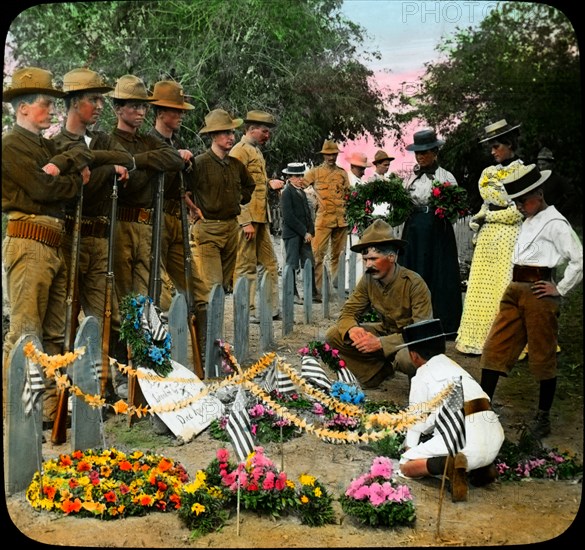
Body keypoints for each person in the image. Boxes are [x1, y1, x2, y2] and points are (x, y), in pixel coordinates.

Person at [2, 66, 93, 425]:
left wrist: (62, 163)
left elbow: (81, 155)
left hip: (54, 241)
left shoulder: (44, 145)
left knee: (56, 332)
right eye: (45, 104)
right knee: (25, 331)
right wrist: (72, 181)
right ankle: (13, 411)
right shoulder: (10, 145)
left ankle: (50, 410)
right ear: (23, 107)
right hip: (29, 241)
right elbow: (44, 190)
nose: (52, 111)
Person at [479, 164, 583, 439]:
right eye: (516, 202)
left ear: (539, 194)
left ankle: (543, 416)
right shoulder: (529, 219)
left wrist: (559, 289)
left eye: (523, 201)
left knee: (542, 353)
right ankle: (481, 409)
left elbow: (578, 259)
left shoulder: (555, 222)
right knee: (494, 348)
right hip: (515, 289)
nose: (520, 207)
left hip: (539, 291)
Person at [52, 69, 134, 376]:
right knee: (65, 315)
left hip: (99, 238)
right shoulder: (57, 145)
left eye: (101, 99)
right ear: (74, 103)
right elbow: (73, 185)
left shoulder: (104, 139)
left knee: (101, 315)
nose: (100, 105)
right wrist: (106, 166)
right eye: (92, 99)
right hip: (68, 237)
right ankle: (63, 384)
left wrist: (106, 164)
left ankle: (100, 386)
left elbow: (128, 160)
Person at [108, 74, 184, 396]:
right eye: (133, 106)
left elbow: (172, 159)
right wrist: (146, 167)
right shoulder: (108, 140)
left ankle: (142, 372)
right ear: (118, 108)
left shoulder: (147, 142)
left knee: (144, 302)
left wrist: (137, 162)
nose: (140, 112)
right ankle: (121, 374)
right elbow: (127, 181)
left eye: (143, 106)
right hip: (121, 224)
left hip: (146, 225)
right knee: (123, 301)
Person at [398, 319, 504, 502]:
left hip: (464, 443)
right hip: (495, 439)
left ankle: (448, 466)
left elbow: (415, 423)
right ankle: (482, 468)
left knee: (406, 466)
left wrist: (410, 451)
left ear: (414, 355)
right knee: (461, 441)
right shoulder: (456, 368)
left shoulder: (422, 375)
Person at [324, 219, 432, 388]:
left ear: (391, 257)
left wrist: (380, 343)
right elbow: (348, 311)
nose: (368, 265)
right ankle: (376, 373)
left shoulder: (414, 284)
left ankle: (419, 385)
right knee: (335, 335)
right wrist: (353, 329)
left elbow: (421, 332)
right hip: (385, 331)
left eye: (373, 259)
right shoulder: (369, 280)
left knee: (407, 358)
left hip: (409, 340)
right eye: (365, 259)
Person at [455, 119, 524, 355]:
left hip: (509, 236)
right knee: (481, 285)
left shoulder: (522, 171)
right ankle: (476, 339)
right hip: (487, 238)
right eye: (491, 148)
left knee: (503, 285)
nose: (493, 152)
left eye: (496, 147)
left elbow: (517, 212)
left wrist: (491, 218)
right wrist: (479, 218)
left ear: (509, 144)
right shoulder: (488, 173)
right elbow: (487, 204)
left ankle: (504, 342)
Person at [189, 108, 255, 322]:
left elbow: (249, 186)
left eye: (231, 133)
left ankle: (213, 331)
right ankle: (208, 336)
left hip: (230, 228)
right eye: (225, 133)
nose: (230, 137)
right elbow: (183, 190)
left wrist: (238, 198)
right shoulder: (199, 163)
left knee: (224, 285)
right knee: (213, 286)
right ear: (212, 136)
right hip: (207, 229)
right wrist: (192, 207)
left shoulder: (235, 165)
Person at [148, 80, 204, 312]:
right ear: (161, 113)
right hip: (156, 217)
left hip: (177, 218)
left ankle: (206, 347)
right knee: (158, 289)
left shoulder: (175, 143)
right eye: (176, 111)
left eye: (181, 111)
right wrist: (174, 160)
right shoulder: (149, 143)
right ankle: (162, 346)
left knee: (198, 291)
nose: (181, 115)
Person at [399, 128, 462, 335]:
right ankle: (411, 321)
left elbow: (454, 209)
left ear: (435, 152)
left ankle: (441, 323)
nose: (421, 156)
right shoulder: (410, 178)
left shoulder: (446, 178)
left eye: (425, 152)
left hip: (437, 231)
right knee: (413, 271)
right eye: (417, 153)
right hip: (414, 229)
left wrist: (439, 215)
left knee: (438, 274)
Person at [229, 110, 284, 322]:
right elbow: (235, 188)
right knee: (245, 265)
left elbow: (256, 183)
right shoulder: (239, 151)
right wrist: (244, 222)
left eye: (268, 131)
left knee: (269, 262)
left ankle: (270, 308)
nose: (267, 135)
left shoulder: (256, 151)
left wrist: (270, 183)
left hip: (261, 217)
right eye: (264, 131)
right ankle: (246, 310)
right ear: (251, 129)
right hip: (248, 219)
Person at [303, 139, 351, 298]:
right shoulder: (315, 172)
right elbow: (299, 186)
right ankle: (317, 291)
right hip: (323, 220)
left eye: (334, 154)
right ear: (323, 155)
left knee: (339, 255)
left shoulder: (342, 173)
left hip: (341, 221)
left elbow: (349, 194)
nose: (331, 157)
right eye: (328, 155)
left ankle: (336, 288)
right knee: (317, 255)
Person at [279, 162, 319, 304]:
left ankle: (312, 293)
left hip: (304, 235)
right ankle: (292, 294)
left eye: (302, 175)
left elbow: (308, 214)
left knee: (309, 262)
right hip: (292, 235)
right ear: (289, 177)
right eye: (297, 176)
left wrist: (310, 231)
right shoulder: (286, 193)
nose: (300, 178)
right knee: (292, 264)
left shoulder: (302, 192)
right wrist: (304, 232)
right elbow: (289, 217)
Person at [536, 147, 573, 219]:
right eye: (539, 164)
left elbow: (572, 195)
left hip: (552, 216)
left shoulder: (557, 179)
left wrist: (560, 211)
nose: (541, 167)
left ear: (551, 164)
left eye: (543, 164)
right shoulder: (536, 179)